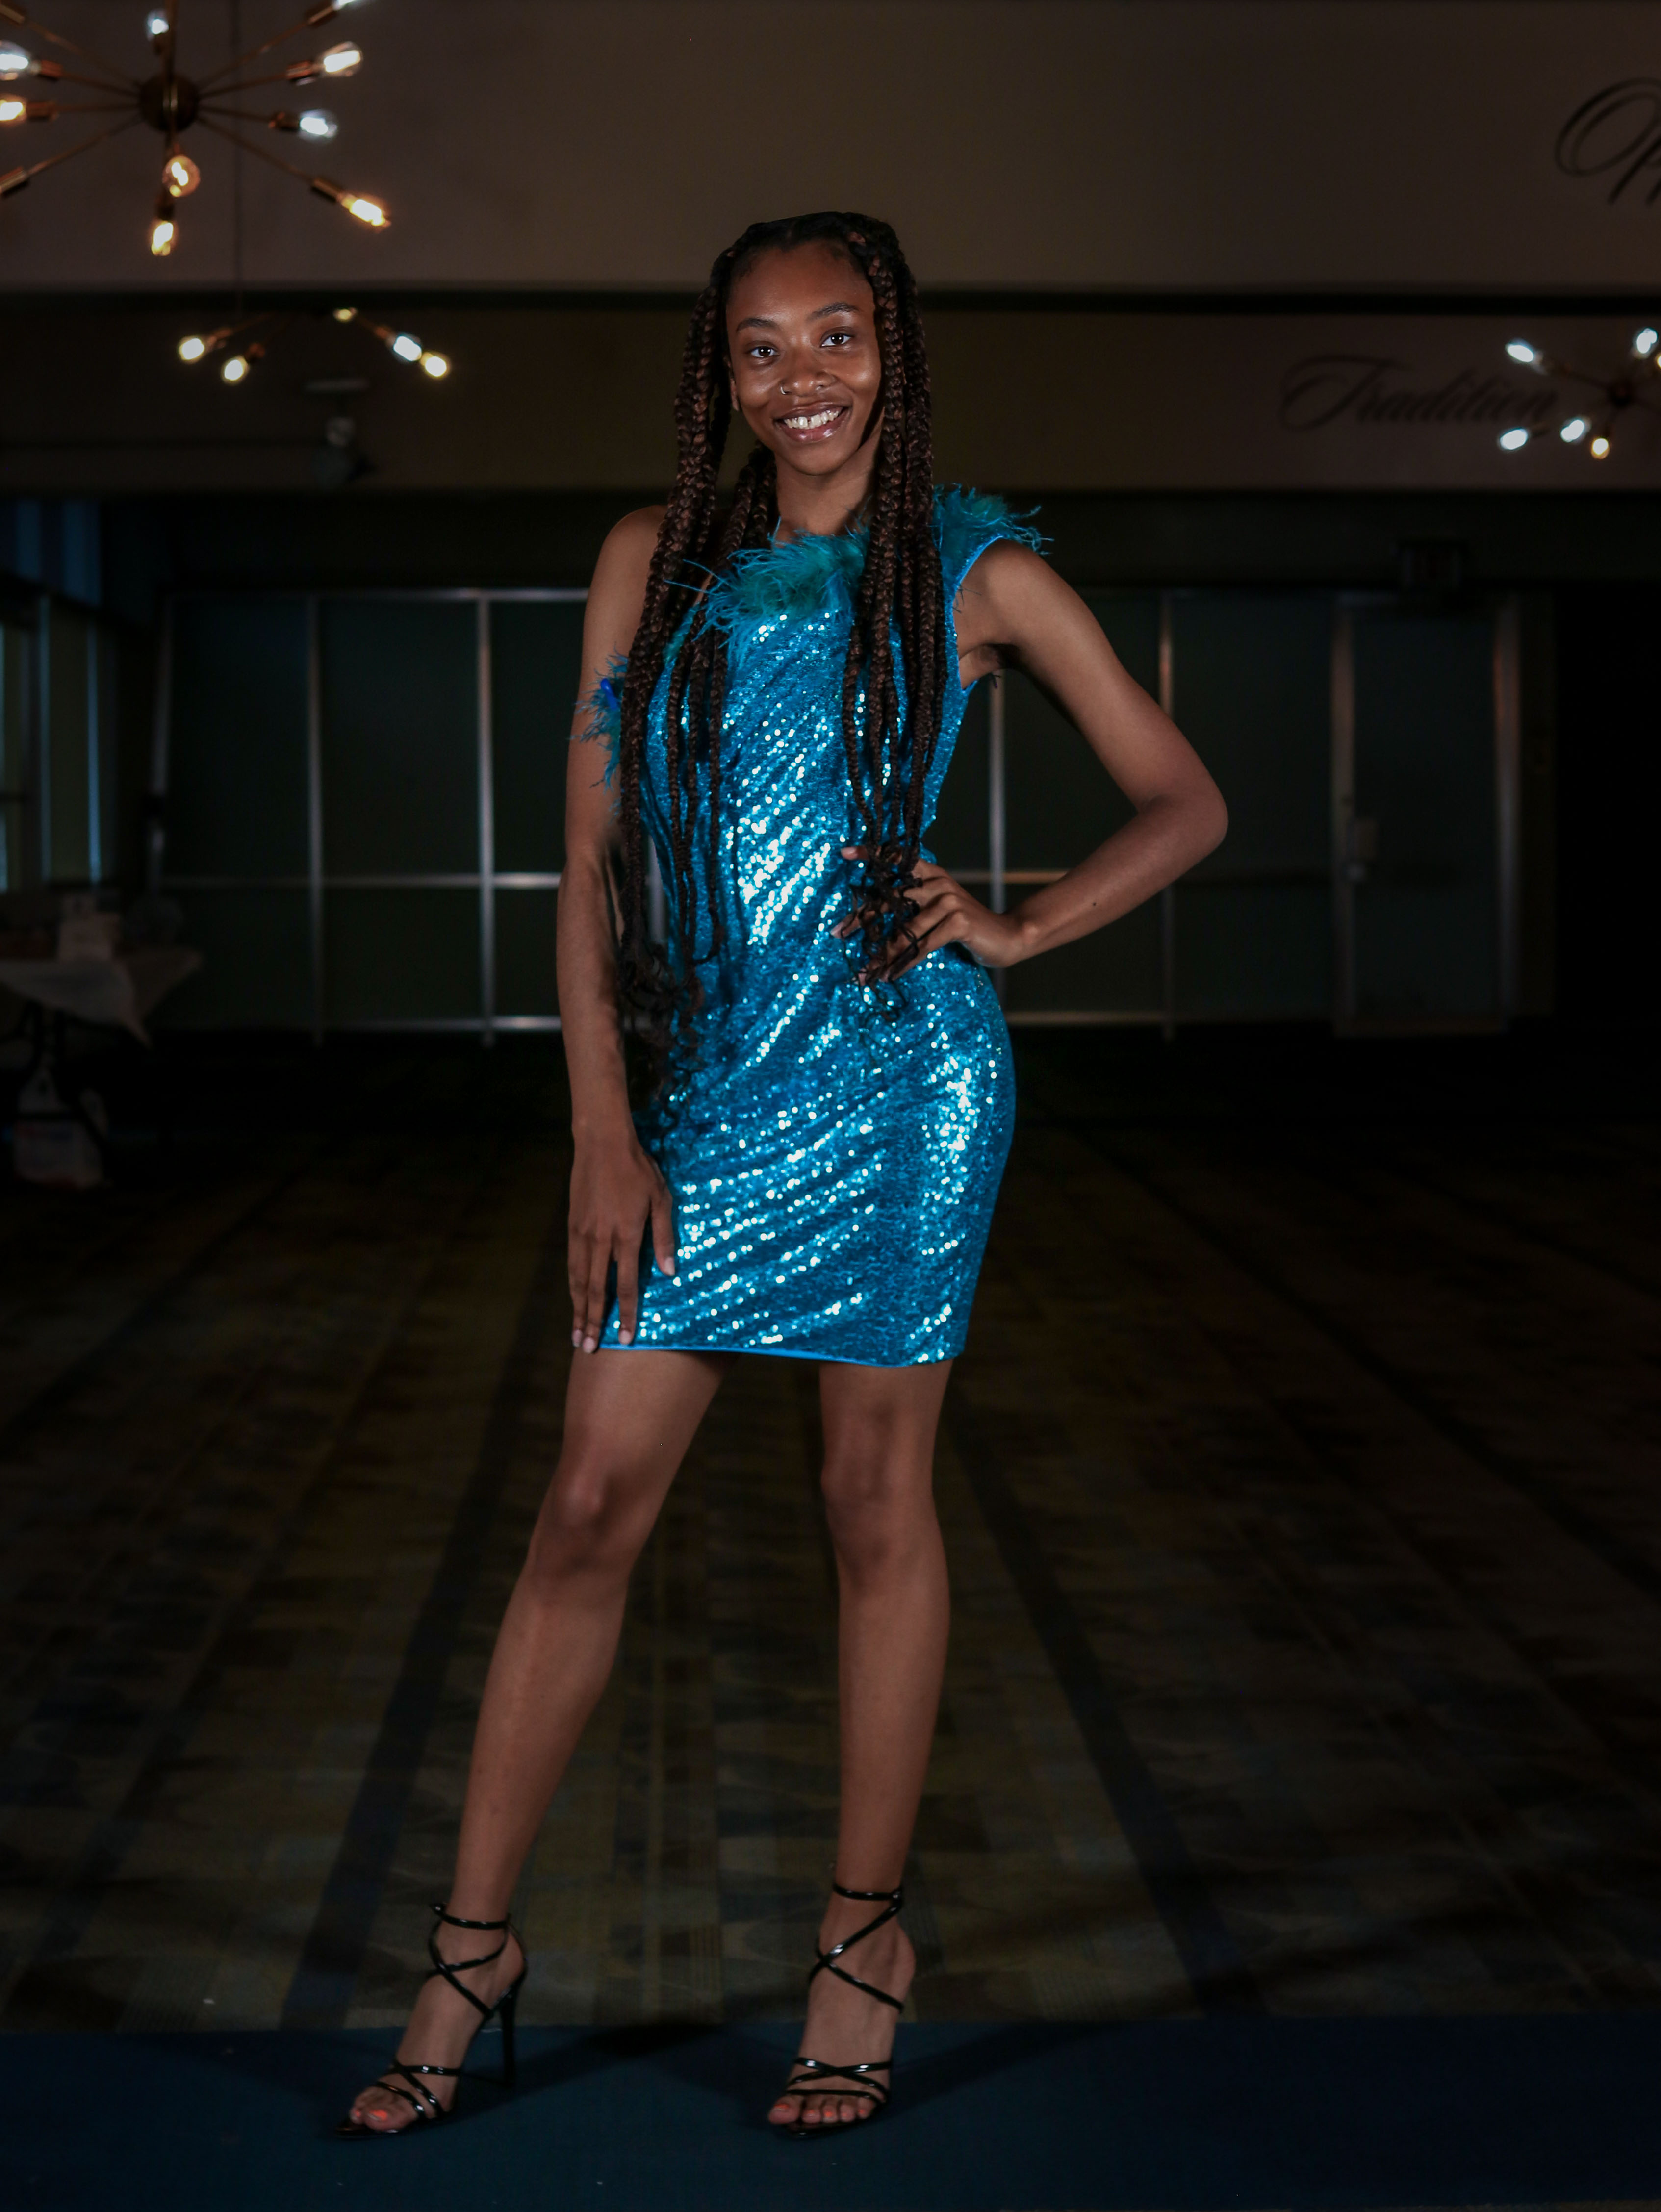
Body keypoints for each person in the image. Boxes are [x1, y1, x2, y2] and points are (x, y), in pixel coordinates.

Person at [339, 209, 1226, 2143]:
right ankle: (471, 1954)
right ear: (719, 374)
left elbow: (1185, 797)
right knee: (585, 1503)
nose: (800, 378)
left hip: (903, 1089)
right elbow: (592, 864)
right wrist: (602, 1129)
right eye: (761, 346)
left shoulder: (976, 572)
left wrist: (1019, 926)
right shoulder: (648, 564)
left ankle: (861, 1943)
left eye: (836, 336)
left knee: (867, 1502)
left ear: (892, 353)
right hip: (694, 1098)